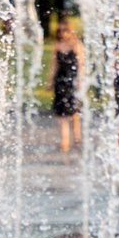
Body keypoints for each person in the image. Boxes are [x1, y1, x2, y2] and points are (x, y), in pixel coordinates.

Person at [50, 23, 82, 152]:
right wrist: (50, 81)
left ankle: (77, 136)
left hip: (72, 80)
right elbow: (54, 65)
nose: (63, 33)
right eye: (60, 31)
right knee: (61, 112)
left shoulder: (76, 45)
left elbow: (81, 64)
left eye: (65, 30)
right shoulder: (56, 46)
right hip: (60, 80)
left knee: (73, 111)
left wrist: (80, 80)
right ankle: (65, 140)